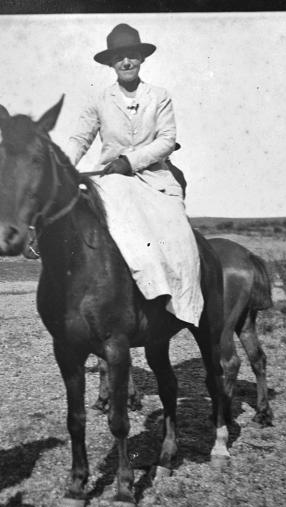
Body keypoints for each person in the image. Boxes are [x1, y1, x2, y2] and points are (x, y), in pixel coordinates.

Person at [64, 23, 203, 327]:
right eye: (119, 58)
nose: (126, 63)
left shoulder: (160, 97)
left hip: (155, 179)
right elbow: (79, 139)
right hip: (113, 181)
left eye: (131, 56)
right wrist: (63, 167)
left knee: (179, 236)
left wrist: (130, 162)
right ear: (111, 64)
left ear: (141, 59)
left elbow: (166, 140)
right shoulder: (99, 101)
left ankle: (180, 301)